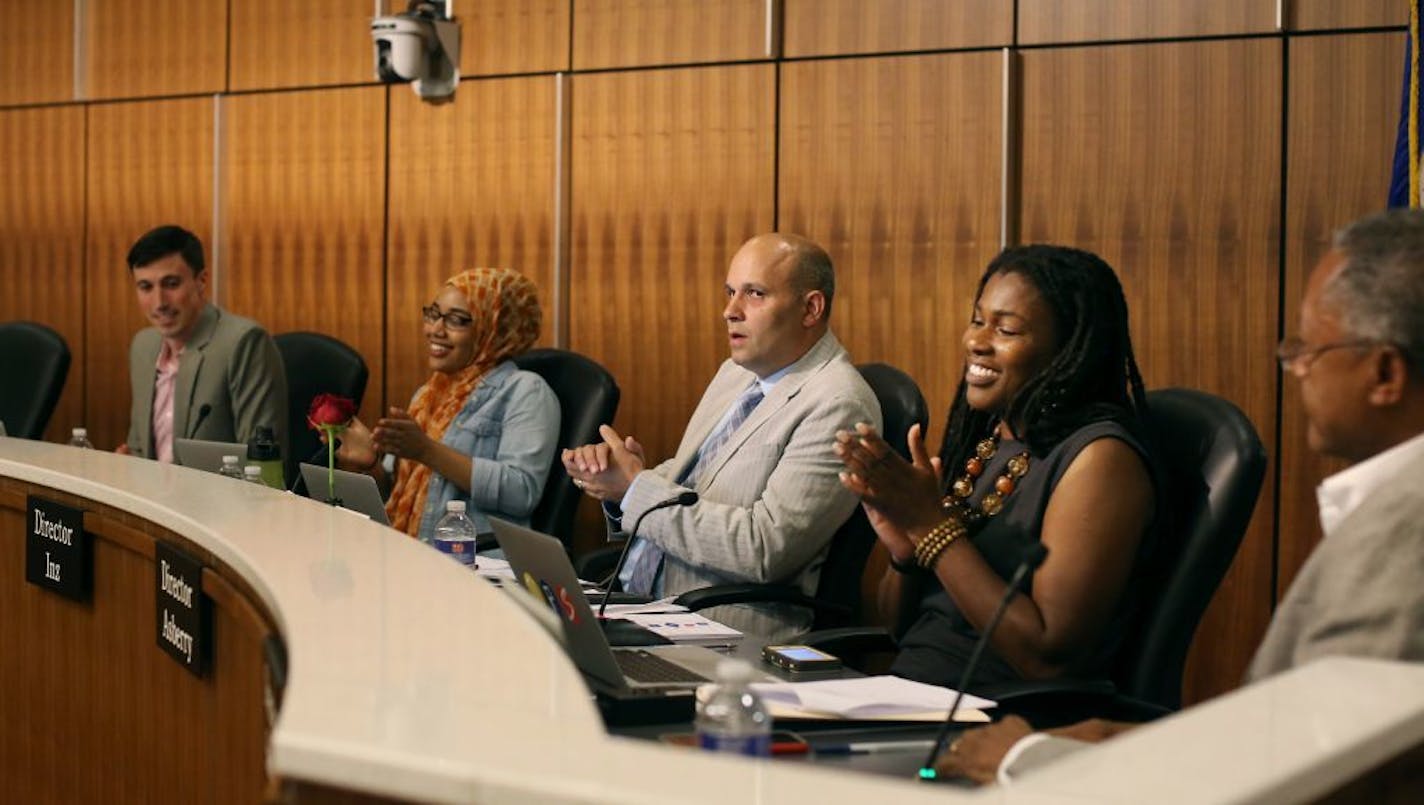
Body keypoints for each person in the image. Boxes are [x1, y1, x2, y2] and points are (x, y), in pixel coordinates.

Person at [936, 209, 1424, 785]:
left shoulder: (1406, 531)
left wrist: (1030, 759)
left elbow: (1328, 765)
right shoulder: (1390, 506)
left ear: (1386, 374)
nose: (1295, 370)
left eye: (1307, 350)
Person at [834, 244, 1157, 689]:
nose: (976, 342)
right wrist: (906, 553)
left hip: (999, 721)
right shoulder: (990, 440)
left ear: (1069, 349)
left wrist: (932, 529)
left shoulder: (1100, 460)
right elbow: (897, 631)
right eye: (977, 320)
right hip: (911, 696)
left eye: (1006, 329)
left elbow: (1047, 657)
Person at [563, 233, 881, 641]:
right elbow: (697, 486)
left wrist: (636, 489)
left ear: (811, 308)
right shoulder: (738, 373)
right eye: (731, 292)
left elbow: (764, 550)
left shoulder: (839, 404)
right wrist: (619, 481)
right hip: (642, 604)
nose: (730, 311)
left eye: (754, 294)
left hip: (719, 631)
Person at [335, 268, 560, 541]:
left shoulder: (525, 390)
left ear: (494, 328)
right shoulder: (427, 395)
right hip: (410, 551)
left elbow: (521, 492)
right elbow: (397, 492)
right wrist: (369, 463)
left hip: (477, 563)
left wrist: (427, 450)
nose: (435, 330)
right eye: (433, 314)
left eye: (457, 320)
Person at [119, 225, 288, 461]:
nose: (159, 302)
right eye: (146, 287)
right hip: (148, 494)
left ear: (201, 280)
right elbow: (138, 448)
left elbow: (261, 464)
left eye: (171, 284)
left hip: (217, 497)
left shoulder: (243, 343)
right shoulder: (143, 347)